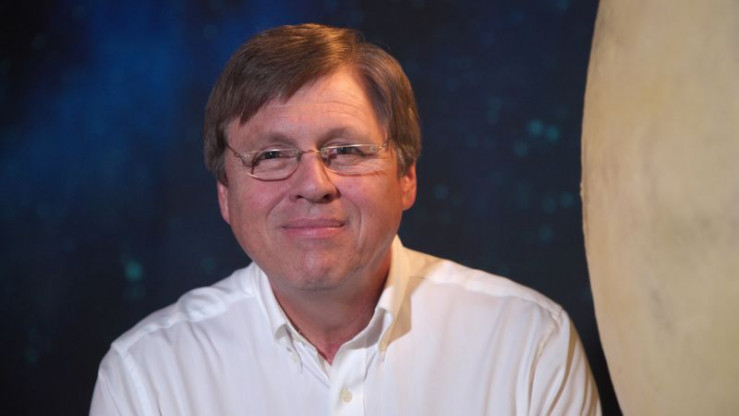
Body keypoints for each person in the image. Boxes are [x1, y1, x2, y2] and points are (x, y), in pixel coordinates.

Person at [90, 23, 601, 415]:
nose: (314, 184)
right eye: (271, 155)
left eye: (346, 150)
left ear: (406, 176)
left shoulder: (528, 344)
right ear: (225, 194)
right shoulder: (149, 376)